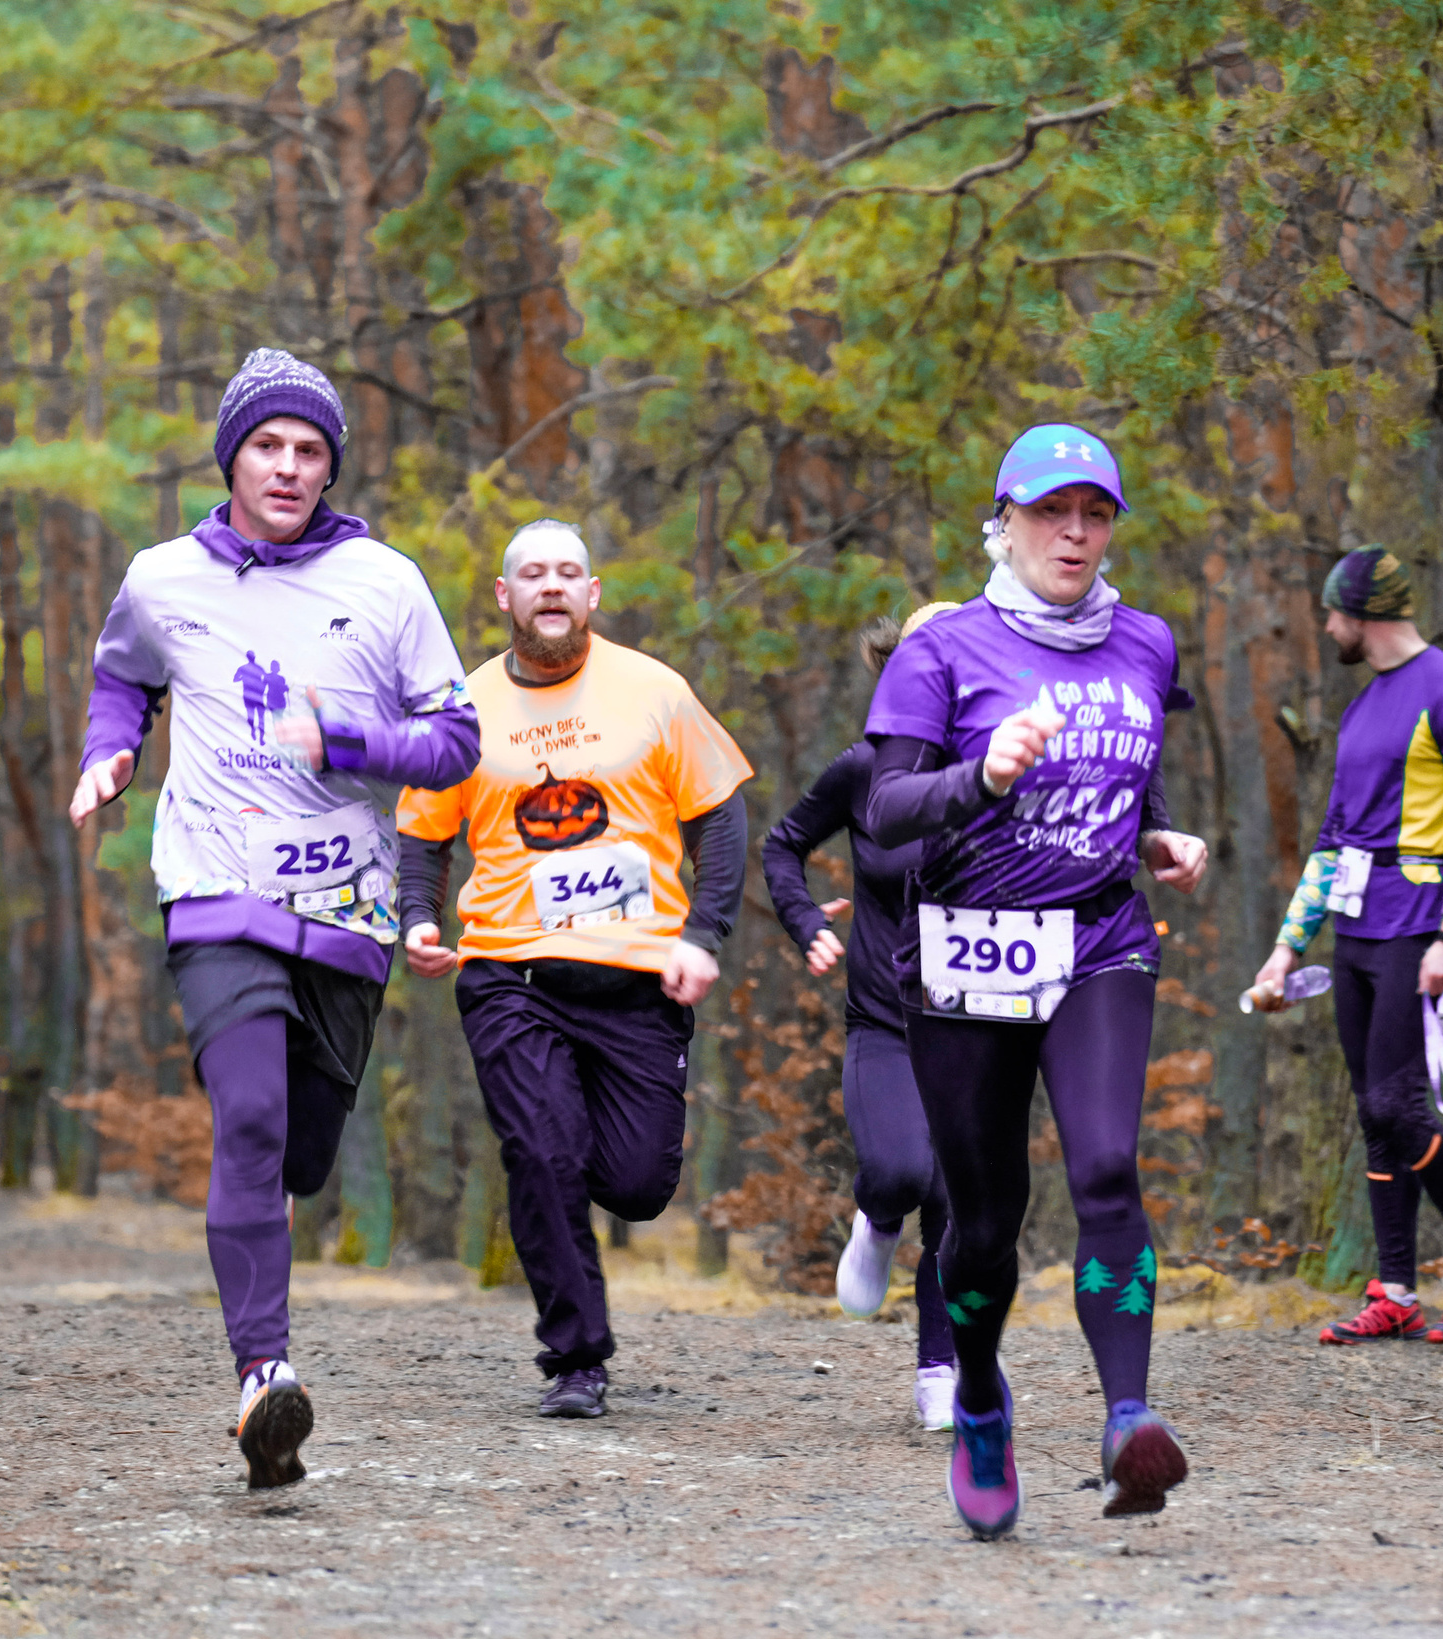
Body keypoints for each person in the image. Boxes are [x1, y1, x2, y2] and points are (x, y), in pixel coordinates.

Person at [72, 348, 480, 1489]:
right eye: (269, 446)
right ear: (233, 457)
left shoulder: (389, 585)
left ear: (331, 466)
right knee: (245, 1120)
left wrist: (352, 746)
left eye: (310, 450)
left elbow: (456, 741)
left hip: (346, 911)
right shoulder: (161, 579)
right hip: (213, 889)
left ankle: (267, 1337)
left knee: (299, 1156)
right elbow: (124, 675)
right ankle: (264, 1377)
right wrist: (111, 753)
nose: (290, 467)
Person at [860, 422, 1208, 1540]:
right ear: (1001, 522)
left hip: (1101, 940)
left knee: (1106, 1167)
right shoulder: (942, 650)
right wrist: (984, 774)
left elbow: (1133, 774)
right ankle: (975, 1398)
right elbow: (884, 812)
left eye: (1094, 514)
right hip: (969, 950)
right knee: (986, 1219)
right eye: (1049, 513)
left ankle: (1127, 1421)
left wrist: (1158, 838)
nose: (1073, 534)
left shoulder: (1146, 642)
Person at [393, 518, 752, 1421]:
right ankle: (577, 1357)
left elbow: (721, 817)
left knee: (634, 1182)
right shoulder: (464, 708)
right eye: (531, 575)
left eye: (568, 573)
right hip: (513, 975)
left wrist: (703, 934)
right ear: (505, 598)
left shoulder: (655, 691)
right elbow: (422, 835)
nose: (550, 586)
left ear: (593, 594)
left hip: (639, 979)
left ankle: (568, 1182)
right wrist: (417, 919)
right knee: (542, 1151)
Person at [1245, 546, 1443, 1346]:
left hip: (1417, 922)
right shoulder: (1364, 707)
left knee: (1395, 1104)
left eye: (1332, 612)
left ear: (1363, 613)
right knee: (1374, 1116)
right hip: (1357, 929)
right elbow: (1330, 842)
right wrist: (1286, 950)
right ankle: (1395, 1286)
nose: (1326, 626)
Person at [761, 605, 961, 1430]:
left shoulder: (1008, 767)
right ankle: (876, 1219)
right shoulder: (865, 767)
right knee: (902, 1172)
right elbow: (781, 844)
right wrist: (808, 922)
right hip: (883, 1014)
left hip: (979, 1020)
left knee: (959, 1199)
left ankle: (941, 1369)